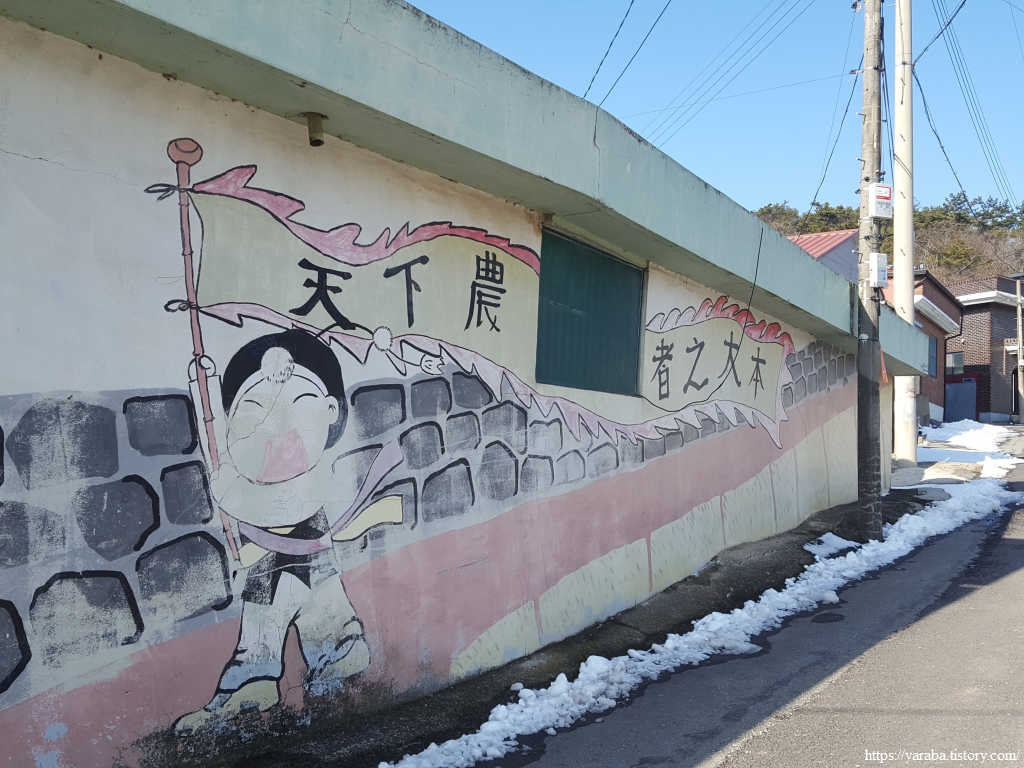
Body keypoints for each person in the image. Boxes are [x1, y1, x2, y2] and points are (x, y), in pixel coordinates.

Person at [175, 329, 396, 732]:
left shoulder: (316, 483)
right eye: (253, 409)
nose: (278, 430)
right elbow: (215, 434)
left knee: (317, 603)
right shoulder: (244, 483)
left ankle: (331, 649)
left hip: (304, 554)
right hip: (271, 562)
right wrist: (202, 382)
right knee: (268, 614)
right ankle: (260, 676)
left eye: (299, 405)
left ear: (330, 410)